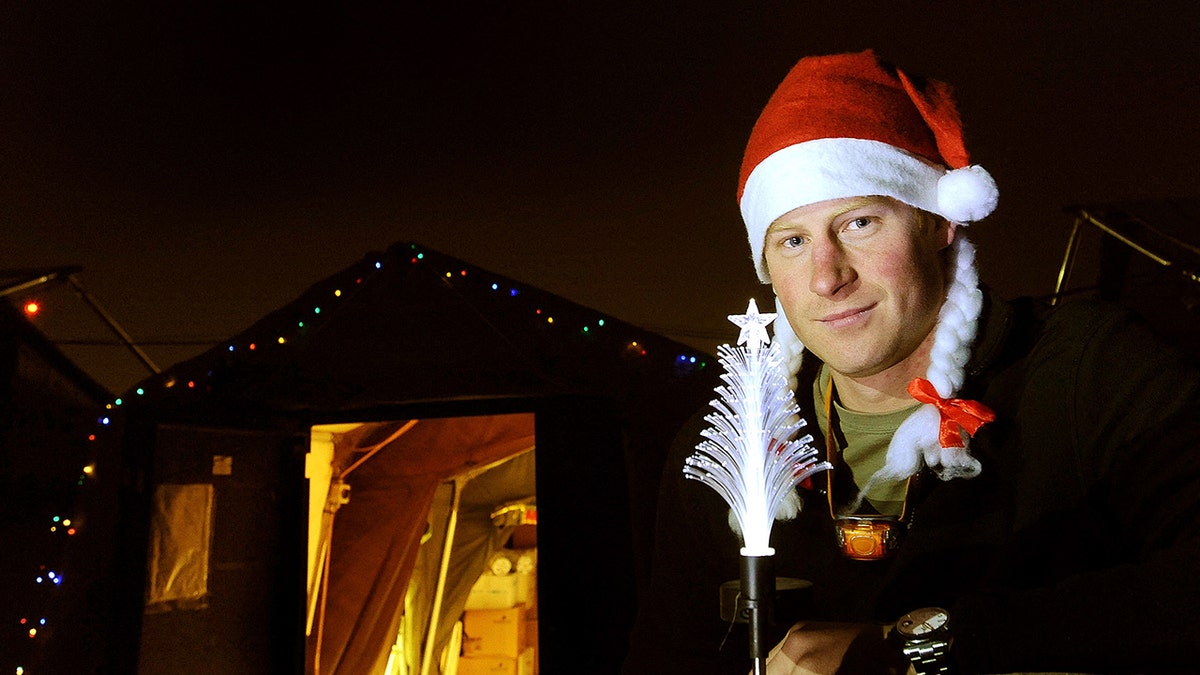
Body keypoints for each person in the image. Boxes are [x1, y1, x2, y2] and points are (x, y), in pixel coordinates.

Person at [623, 49, 1200, 674]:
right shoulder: (726, 454)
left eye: (860, 223)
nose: (827, 277)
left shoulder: (1090, 373)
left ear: (937, 222)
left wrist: (920, 644)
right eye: (792, 241)